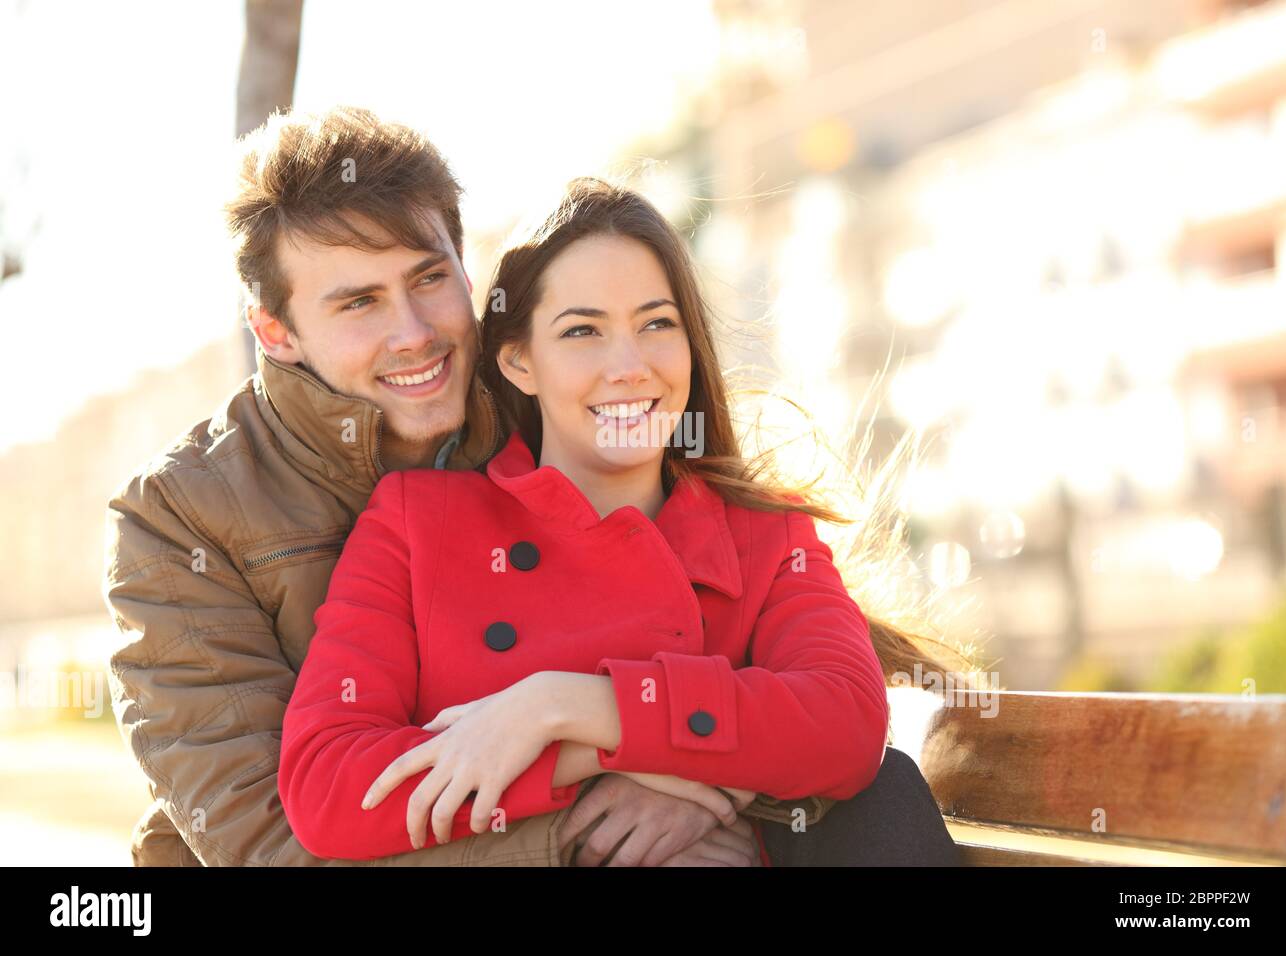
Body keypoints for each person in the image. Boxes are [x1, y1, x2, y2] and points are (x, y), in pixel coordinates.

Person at [101, 106, 743, 867]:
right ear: (275, 330)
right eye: (359, 302)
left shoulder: (549, 408)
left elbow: (761, 654)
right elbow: (267, 844)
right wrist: (584, 837)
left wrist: (715, 782)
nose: (414, 333)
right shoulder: (180, 517)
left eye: (429, 279)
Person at [278, 177, 966, 866]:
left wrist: (559, 706)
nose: (629, 366)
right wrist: (595, 760)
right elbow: (329, 784)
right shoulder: (419, 522)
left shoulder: (764, 533)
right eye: (583, 331)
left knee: (885, 796)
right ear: (519, 360)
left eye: (656, 323)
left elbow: (845, 724)